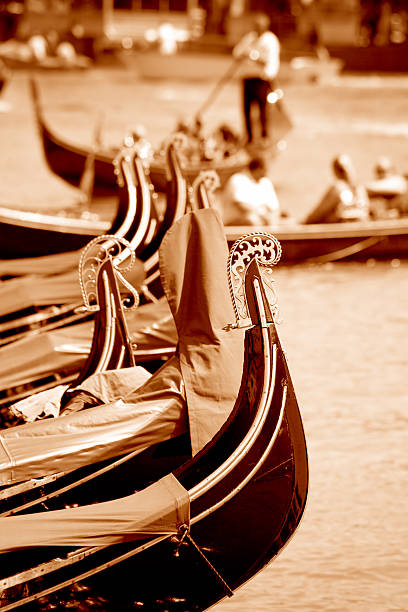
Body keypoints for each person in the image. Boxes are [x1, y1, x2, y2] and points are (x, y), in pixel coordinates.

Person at [232, 13, 280, 145]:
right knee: (246, 110)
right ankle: (249, 138)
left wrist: (254, 57)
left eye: (259, 25)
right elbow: (237, 52)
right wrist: (245, 55)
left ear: (265, 26)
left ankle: (265, 137)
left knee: (263, 110)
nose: (257, 27)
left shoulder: (270, 40)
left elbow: (269, 61)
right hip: (247, 78)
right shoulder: (250, 38)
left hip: (262, 80)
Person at [304, 154, 370, 224]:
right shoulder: (360, 189)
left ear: (336, 172)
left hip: (343, 230)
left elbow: (316, 215)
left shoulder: (338, 188)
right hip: (358, 229)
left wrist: (302, 223)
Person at [220, 156, 280, 226]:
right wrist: (262, 215)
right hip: (235, 223)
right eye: (264, 170)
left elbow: (274, 207)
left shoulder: (266, 182)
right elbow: (241, 206)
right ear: (257, 169)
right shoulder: (238, 180)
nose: (266, 173)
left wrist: (271, 218)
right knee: (252, 220)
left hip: (262, 219)